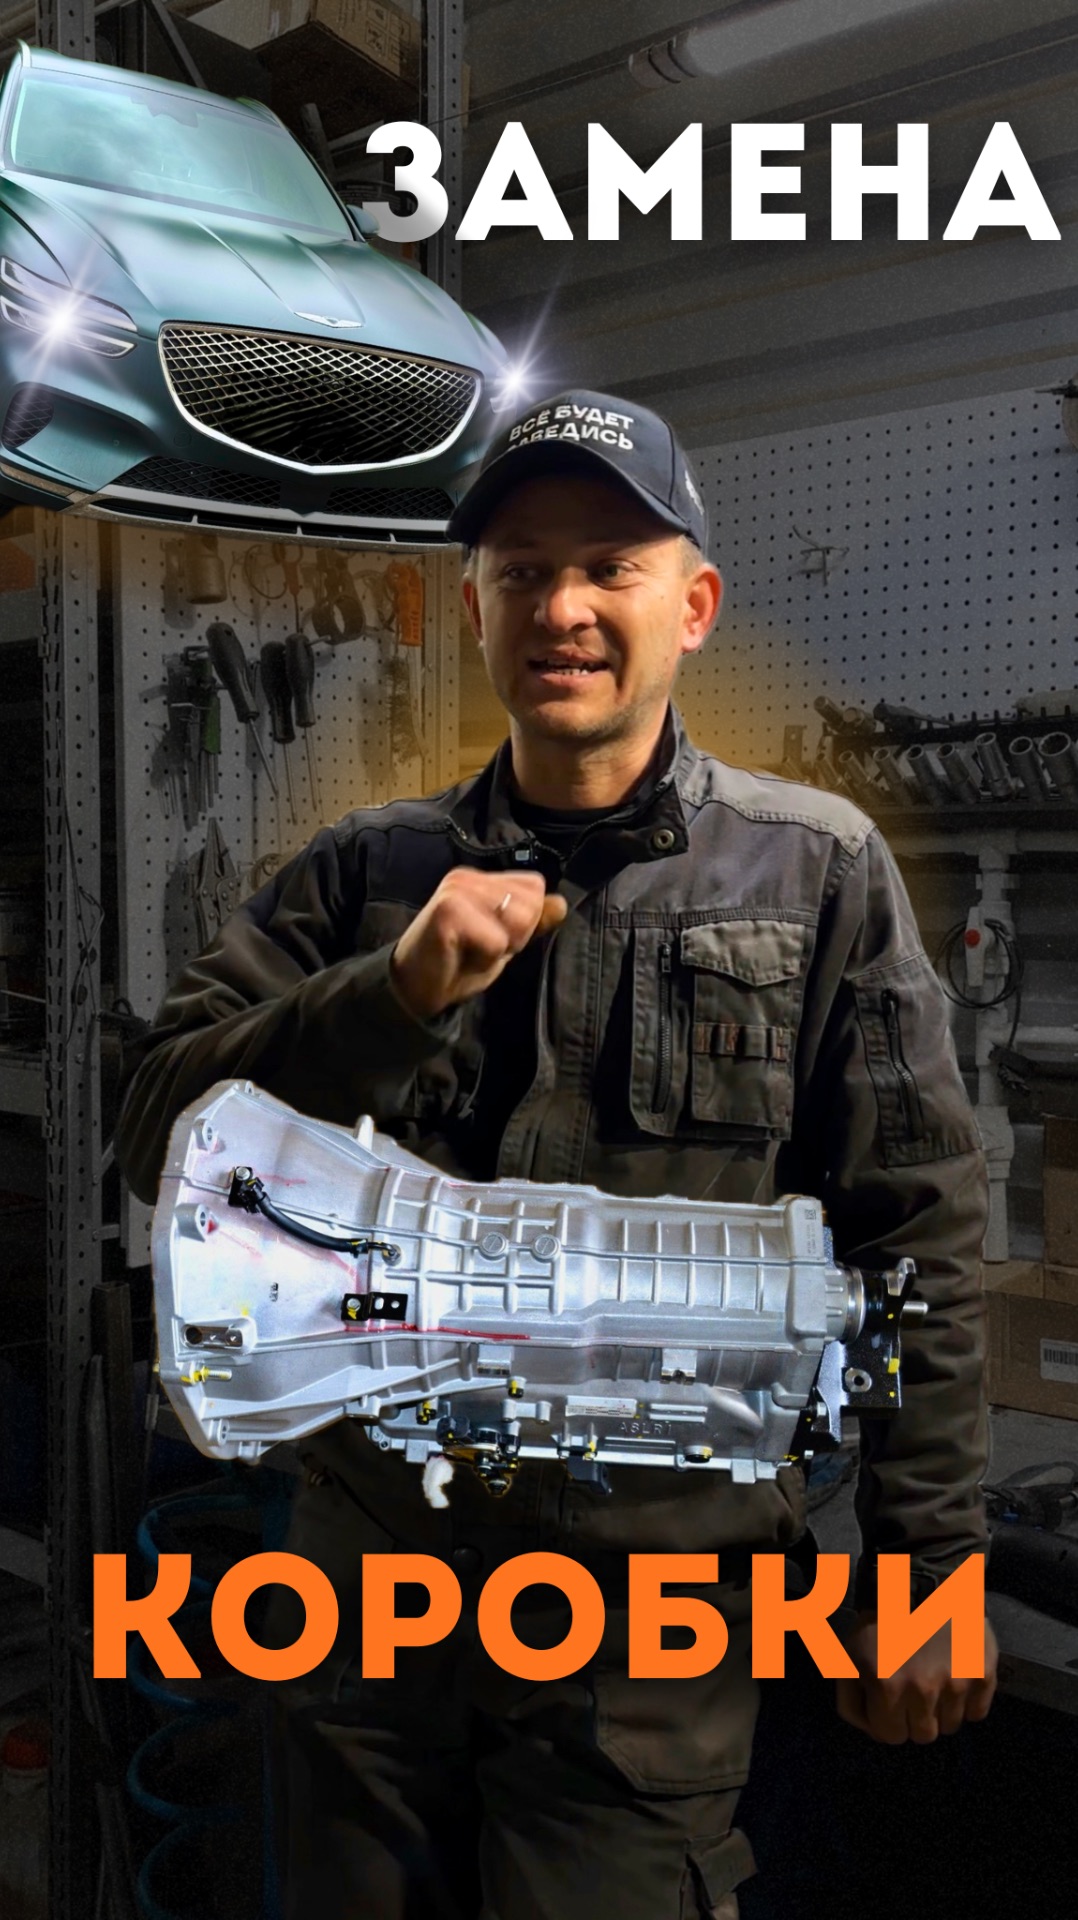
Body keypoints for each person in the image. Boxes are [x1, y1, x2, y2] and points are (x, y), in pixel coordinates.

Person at [115, 388, 997, 1920]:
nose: (562, 607)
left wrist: (924, 1564)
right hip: (367, 1586)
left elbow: (909, 1227)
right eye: (521, 570)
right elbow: (158, 1131)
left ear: (691, 607)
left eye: (608, 566)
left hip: (649, 1610)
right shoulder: (366, 873)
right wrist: (387, 996)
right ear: (476, 609)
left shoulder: (815, 872)